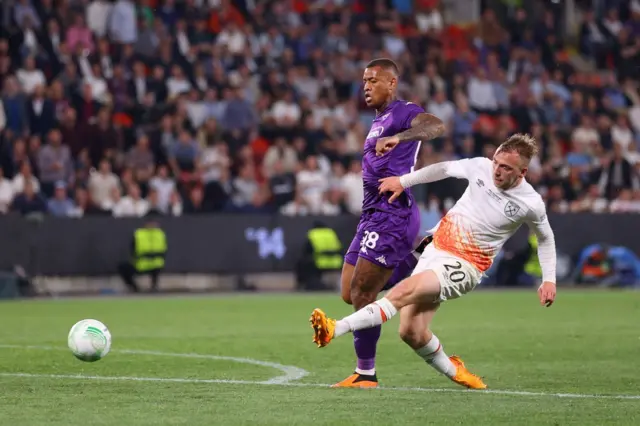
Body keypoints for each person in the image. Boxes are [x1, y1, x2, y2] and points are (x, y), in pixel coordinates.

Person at [310, 133, 557, 390]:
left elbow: (545, 239)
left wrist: (549, 279)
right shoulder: (480, 166)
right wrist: (403, 182)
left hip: (465, 265)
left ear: (523, 172)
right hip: (435, 249)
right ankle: (456, 372)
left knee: (403, 291)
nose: (497, 170)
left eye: (506, 168)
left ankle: (334, 328)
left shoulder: (531, 203)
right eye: (497, 162)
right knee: (411, 331)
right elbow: (443, 169)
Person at [334, 58, 445, 388]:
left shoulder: (403, 112)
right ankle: (416, 263)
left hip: (392, 213)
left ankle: (365, 373)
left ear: (391, 83)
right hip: (370, 215)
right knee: (348, 292)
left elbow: (436, 125)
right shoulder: (378, 120)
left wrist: (404, 137)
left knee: (363, 293)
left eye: (372, 80)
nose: (365, 86)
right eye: (364, 81)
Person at [118, 217, 167, 292]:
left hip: (155, 265)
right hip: (141, 264)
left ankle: (154, 286)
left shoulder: (160, 234)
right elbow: (133, 249)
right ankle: (135, 288)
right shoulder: (139, 234)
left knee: (156, 266)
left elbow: (163, 250)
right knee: (122, 267)